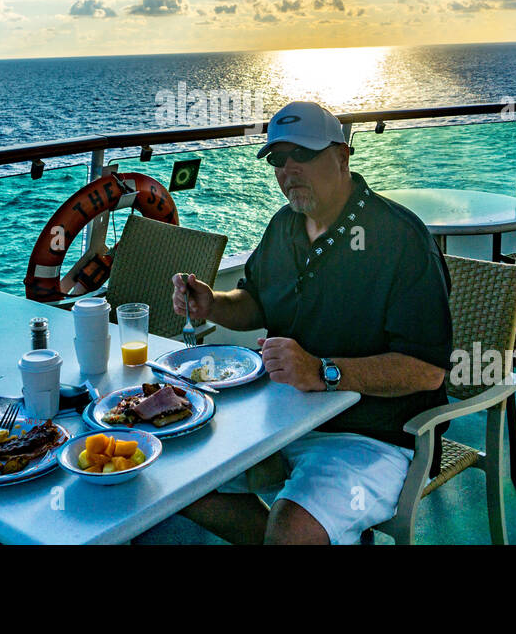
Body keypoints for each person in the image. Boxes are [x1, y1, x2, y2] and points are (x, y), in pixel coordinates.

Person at [172, 100, 452, 545]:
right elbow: (256, 302)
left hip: (374, 435)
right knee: (178, 486)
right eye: (278, 159)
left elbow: (428, 368)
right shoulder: (284, 226)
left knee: (291, 531)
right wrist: (215, 303)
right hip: (281, 416)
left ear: (342, 156)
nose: (288, 170)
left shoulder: (398, 238)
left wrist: (323, 371)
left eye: (302, 154)